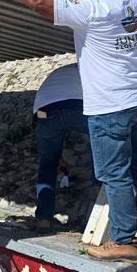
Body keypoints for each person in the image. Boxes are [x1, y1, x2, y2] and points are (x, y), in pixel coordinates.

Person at [0, 0, 137, 263]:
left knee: (115, 175)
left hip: (111, 107)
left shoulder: (92, 9)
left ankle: (124, 241)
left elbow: (38, 2)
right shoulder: (135, 3)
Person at [33, 64, 92, 232]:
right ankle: (103, 206)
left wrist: (56, 157)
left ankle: (43, 220)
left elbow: (54, 120)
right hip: (77, 106)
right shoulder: (90, 67)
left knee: (47, 164)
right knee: (102, 148)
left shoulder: (61, 72)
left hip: (43, 112)